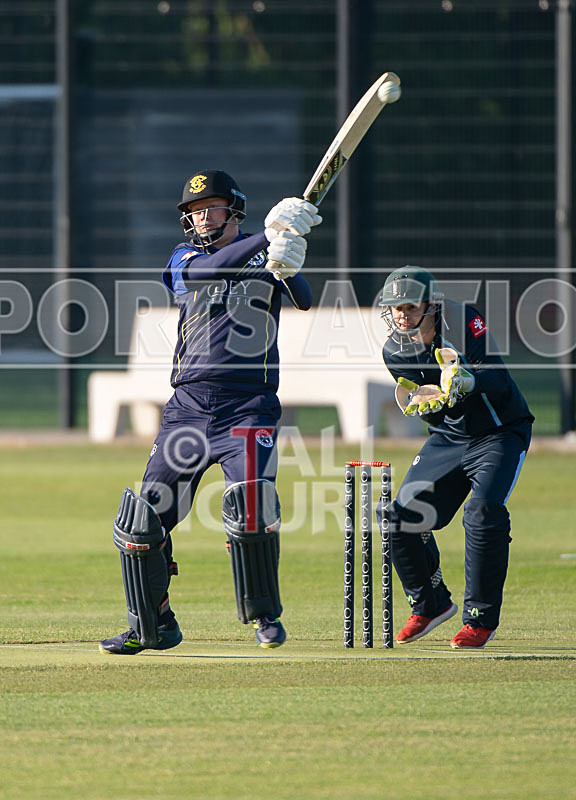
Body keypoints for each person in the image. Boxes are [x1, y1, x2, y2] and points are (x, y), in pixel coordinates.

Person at [100, 170, 321, 654]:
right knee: (142, 522)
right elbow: (204, 275)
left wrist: (285, 265)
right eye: (195, 210)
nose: (202, 216)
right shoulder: (185, 258)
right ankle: (152, 625)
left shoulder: (262, 255)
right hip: (188, 410)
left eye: (212, 207)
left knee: (252, 506)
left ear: (233, 210)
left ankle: (264, 615)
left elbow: (304, 300)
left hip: (248, 407)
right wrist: (269, 235)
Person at [377, 265, 534, 649]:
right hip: (448, 439)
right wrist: (426, 401)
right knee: (399, 518)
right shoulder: (393, 351)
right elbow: (434, 413)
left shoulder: (464, 321)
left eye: (411, 307)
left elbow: (497, 379)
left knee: (482, 513)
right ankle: (430, 604)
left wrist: (469, 380)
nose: (402, 315)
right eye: (396, 308)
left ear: (432, 306)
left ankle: (479, 619)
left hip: (499, 432)